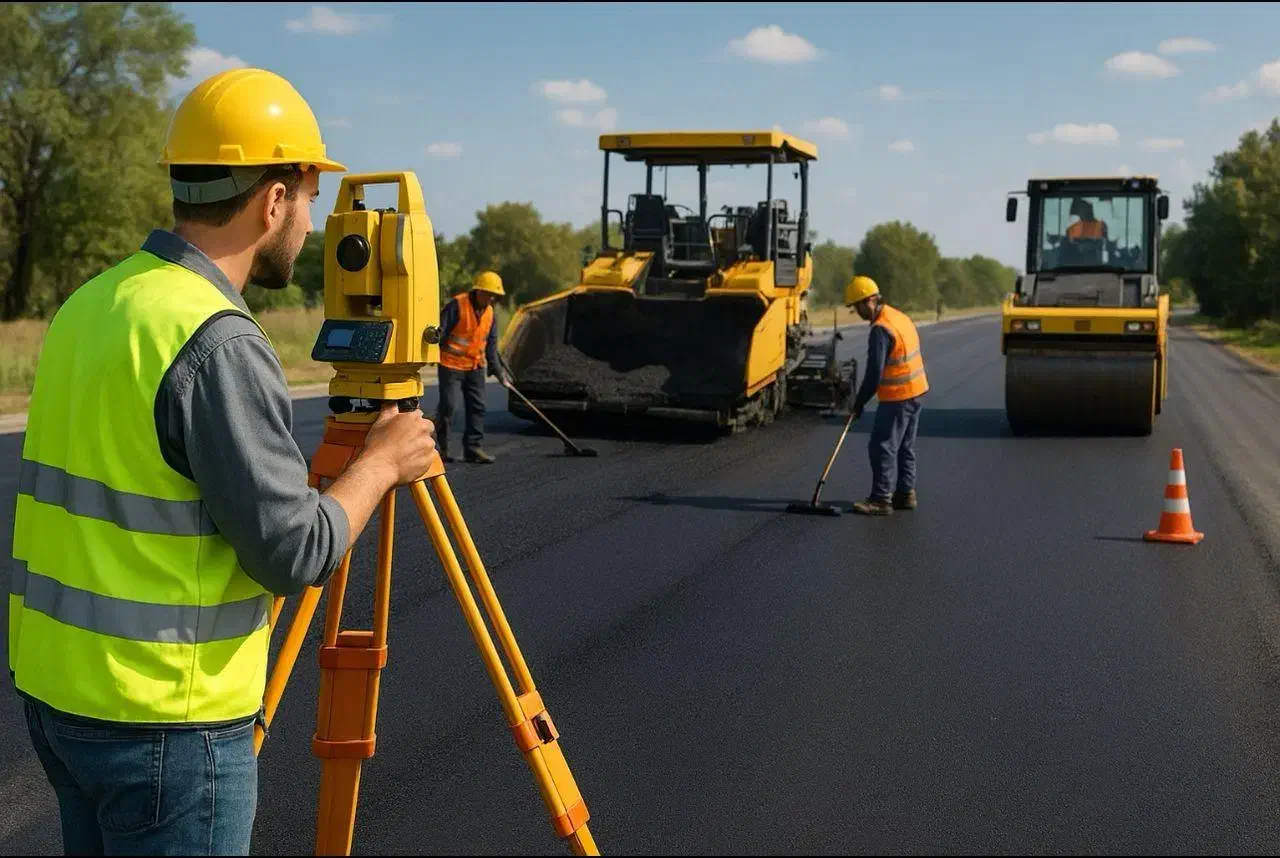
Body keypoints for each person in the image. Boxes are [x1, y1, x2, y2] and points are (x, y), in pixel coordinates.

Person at [7, 68, 437, 856]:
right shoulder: (218, 340)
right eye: (308, 197)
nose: (310, 224)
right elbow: (293, 551)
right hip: (164, 727)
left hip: (58, 698)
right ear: (273, 197)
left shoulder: (93, 302)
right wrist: (380, 463)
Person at [844, 275, 930, 516]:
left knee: (882, 446)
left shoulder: (881, 329)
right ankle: (905, 494)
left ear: (869, 301)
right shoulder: (898, 316)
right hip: (917, 390)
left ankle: (881, 499)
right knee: (905, 446)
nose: (858, 313)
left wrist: (858, 403)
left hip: (898, 396)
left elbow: (874, 373)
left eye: (858, 307)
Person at [435, 271, 513, 464]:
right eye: (487, 293)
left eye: (494, 295)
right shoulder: (457, 306)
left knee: (478, 407)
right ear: (477, 290)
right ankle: (443, 449)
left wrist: (498, 372)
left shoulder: (490, 313)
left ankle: (473, 448)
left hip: (475, 367)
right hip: (451, 365)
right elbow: (441, 334)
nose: (491, 298)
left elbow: (491, 346)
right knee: (448, 406)